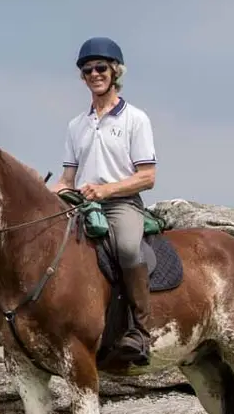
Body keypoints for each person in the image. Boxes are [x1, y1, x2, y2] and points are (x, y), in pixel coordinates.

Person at [53, 36, 159, 365]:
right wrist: (48, 194)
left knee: (127, 248)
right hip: (83, 204)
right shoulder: (76, 125)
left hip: (121, 204)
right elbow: (68, 178)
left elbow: (148, 176)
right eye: (87, 70)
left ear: (115, 71)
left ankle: (141, 332)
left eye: (101, 67)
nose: (94, 74)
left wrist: (106, 190)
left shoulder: (135, 119)